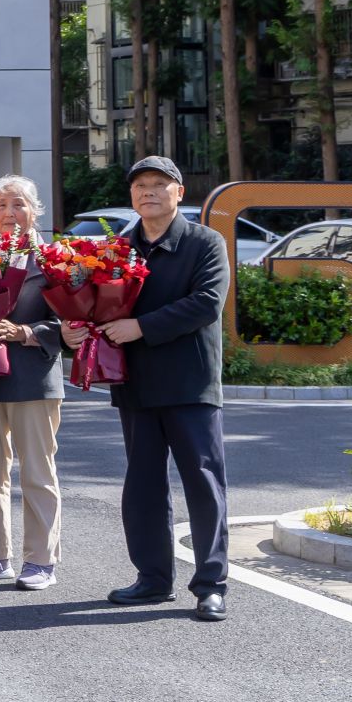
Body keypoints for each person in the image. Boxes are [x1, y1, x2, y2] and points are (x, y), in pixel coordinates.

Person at [70, 155, 232, 623]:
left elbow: (207, 303)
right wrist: (78, 326)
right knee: (143, 485)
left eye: (160, 184)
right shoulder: (118, 248)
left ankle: (211, 585)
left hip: (190, 383)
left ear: (179, 192)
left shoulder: (205, 242)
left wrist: (140, 327)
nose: (149, 192)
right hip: (136, 382)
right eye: (141, 185)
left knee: (203, 483)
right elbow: (96, 303)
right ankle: (153, 578)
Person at [0, 174, 65, 593]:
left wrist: (25, 332)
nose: (10, 212)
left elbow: (74, 321)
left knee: (37, 473)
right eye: (2, 204)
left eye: (19, 204)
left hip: (34, 379)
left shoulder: (54, 259)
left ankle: (41, 559)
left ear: (34, 211)